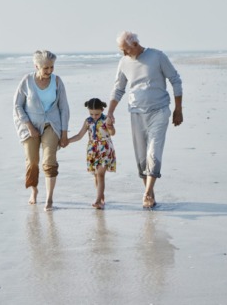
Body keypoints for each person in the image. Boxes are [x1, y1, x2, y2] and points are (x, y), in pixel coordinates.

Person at [107, 31, 183, 209]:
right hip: (136, 113)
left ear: (135, 44)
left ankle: (147, 192)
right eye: (121, 51)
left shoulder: (157, 56)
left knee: (153, 153)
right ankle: (151, 193)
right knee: (141, 157)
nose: (124, 54)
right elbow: (118, 89)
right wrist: (110, 112)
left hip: (159, 111)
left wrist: (178, 109)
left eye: (125, 50)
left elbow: (175, 80)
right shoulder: (124, 62)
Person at [12, 50, 71, 211]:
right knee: (32, 162)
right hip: (30, 125)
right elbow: (17, 105)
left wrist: (65, 133)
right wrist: (29, 126)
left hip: (51, 125)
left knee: (49, 162)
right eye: (46, 68)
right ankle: (34, 190)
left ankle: (49, 199)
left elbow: (64, 108)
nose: (50, 71)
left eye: (52, 67)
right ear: (36, 66)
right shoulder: (27, 81)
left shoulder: (57, 82)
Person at [67, 98, 117, 209]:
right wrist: (68, 141)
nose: (94, 116)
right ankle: (101, 196)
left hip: (104, 149)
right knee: (96, 176)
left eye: (97, 114)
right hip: (92, 150)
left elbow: (113, 133)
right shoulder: (88, 121)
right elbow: (79, 136)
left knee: (100, 175)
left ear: (102, 109)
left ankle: (98, 200)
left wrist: (111, 127)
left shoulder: (106, 120)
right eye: (92, 114)